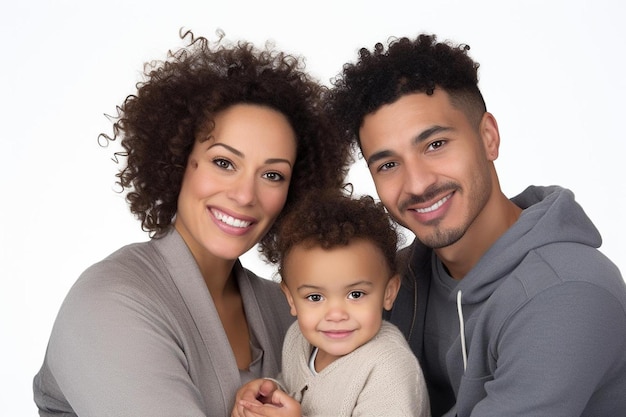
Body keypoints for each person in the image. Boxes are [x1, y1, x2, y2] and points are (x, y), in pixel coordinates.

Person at [32, 30, 349, 417]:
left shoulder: (286, 308)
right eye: (223, 163)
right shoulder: (110, 303)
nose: (245, 195)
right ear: (178, 160)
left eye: (272, 175)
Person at [325, 34, 626, 416]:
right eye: (388, 165)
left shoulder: (567, 291)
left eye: (435, 144)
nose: (417, 184)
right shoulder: (396, 280)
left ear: (488, 137)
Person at [234, 191, 430, 417]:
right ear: (291, 299)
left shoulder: (389, 369)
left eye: (355, 294)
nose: (336, 315)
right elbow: (296, 390)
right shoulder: (298, 339)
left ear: (389, 292)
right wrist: (271, 393)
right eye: (315, 297)